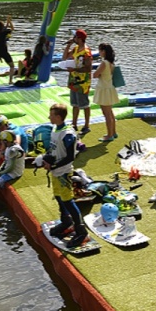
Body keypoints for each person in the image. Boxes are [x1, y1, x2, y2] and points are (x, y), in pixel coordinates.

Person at [41, 103, 89, 248]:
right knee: (58, 196)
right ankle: (66, 221)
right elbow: (53, 148)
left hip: (64, 173)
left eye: (51, 114)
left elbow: (70, 157)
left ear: (58, 116)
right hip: (56, 172)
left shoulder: (68, 134)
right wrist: (46, 159)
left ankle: (81, 231)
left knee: (68, 201)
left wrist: (53, 165)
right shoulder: (56, 128)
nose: (49, 117)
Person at [63, 29, 93, 135]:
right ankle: (74, 124)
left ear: (80, 39)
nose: (74, 38)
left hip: (83, 82)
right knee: (74, 104)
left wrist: (75, 70)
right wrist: (68, 45)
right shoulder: (75, 49)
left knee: (84, 104)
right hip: (73, 80)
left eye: (75, 37)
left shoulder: (86, 52)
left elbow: (88, 68)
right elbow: (65, 57)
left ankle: (86, 125)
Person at [92, 43, 120, 142]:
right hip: (109, 88)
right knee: (110, 112)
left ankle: (109, 135)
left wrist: (97, 74)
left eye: (100, 50)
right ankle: (113, 132)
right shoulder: (111, 63)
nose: (99, 52)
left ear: (103, 51)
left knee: (106, 114)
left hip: (104, 89)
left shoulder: (104, 63)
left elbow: (95, 75)